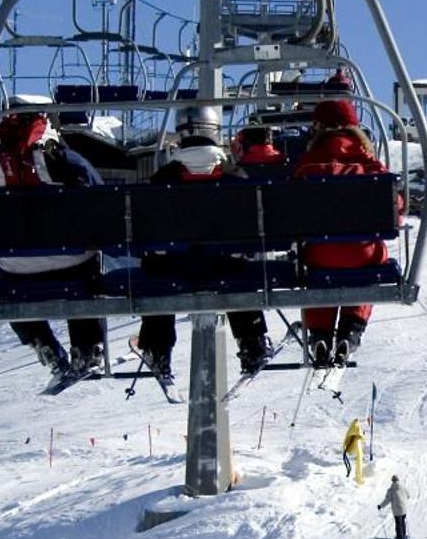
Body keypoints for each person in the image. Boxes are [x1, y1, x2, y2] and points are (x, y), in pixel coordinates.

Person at [135, 108, 277, 381]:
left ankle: (157, 347)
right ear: (215, 130)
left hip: (173, 269)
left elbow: (145, 235)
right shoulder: (234, 179)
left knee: (155, 269)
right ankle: (252, 343)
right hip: (224, 269)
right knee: (239, 269)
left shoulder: (160, 180)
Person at [0, 110, 109, 382]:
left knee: (7, 285)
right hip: (71, 264)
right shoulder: (65, 160)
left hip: (15, 269)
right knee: (86, 272)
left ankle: (41, 340)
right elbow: (100, 196)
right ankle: (86, 347)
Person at [294, 96, 392, 368]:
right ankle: (352, 329)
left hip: (320, 256)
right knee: (366, 267)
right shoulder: (371, 165)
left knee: (316, 269)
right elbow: (395, 207)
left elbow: (291, 211)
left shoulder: (307, 165)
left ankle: (320, 335)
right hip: (364, 253)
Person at [377, 474, 408, 539]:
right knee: (402, 522)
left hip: (397, 510)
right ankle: (404, 535)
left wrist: (380, 506)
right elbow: (408, 495)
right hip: (404, 509)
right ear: (398, 480)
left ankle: (400, 538)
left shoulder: (391, 490)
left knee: (398, 524)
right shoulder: (403, 487)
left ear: (392, 481)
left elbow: (387, 500)